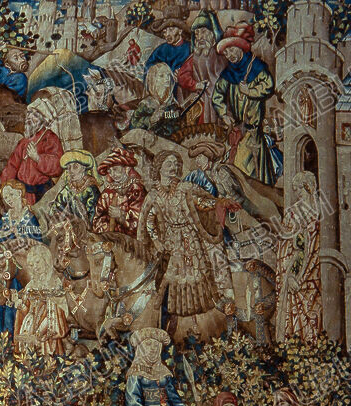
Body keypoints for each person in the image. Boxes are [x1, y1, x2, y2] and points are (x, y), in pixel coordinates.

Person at [138, 151, 236, 341]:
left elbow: (202, 202)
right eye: (169, 163)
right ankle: (166, 321)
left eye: (176, 163)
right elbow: (148, 220)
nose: (173, 167)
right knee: (166, 280)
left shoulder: (185, 188)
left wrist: (220, 203)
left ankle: (196, 321)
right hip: (169, 242)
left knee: (197, 274)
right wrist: (156, 240)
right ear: (159, 167)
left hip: (190, 238)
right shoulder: (153, 195)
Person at [0, 180, 43, 350]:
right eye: (6, 196)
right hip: (6, 270)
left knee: (12, 307)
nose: (9, 199)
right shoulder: (5, 219)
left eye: (12, 194)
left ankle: (13, 350)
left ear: (20, 194)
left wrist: (18, 241)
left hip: (24, 273)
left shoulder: (29, 218)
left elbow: (37, 246)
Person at [212, 23, 276, 185]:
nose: (229, 55)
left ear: (240, 47)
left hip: (253, 130)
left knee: (251, 171)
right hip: (238, 129)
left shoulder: (257, 67)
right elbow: (217, 95)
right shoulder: (228, 73)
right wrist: (224, 114)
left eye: (232, 50)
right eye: (226, 52)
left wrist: (250, 91)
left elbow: (268, 86)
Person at [275, 172, 323, 344]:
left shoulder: (321, 209)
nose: (297, 193)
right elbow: (285, 246)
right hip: (297, 269)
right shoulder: (292, 213)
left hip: (317, 268)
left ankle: (316, 348)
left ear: (309, 187)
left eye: (300, 189)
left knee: (316, 310)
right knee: (296, 310)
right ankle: (297, 348)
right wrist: (290, 274)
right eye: (295, 189)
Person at [0, 98, 63, 205]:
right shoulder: (24, 141)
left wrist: (37, 158)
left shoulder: (51, 138)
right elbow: (13, 165)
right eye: (29, 113)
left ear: (43, 120)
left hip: (42, 192)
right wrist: (2, 180)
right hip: (22, 191)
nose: (29, 117)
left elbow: (57, 166)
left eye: (34, 115)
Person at [12, 244, 71, 357]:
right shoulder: (30, 285)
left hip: (47, 332)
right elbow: (26, 311)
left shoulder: (55, 282)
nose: (35, 267)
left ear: (45, 260)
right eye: (32, 265)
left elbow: (60, 309)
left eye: (37, 262)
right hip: (29, 329)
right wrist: (20, 305)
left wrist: (40, 332)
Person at [93, 148, 146, 238]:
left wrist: (121, 215)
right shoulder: (107, 193)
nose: (112, 174)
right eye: (110, 171)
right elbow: (97, 217)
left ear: (126, 169)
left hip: (132, 240)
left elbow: (140, 220)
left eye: (116, 169)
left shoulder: (136, 189)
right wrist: (106, 228)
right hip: (111, 238)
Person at [53, 149, 101, 226]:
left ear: (83, 168)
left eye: (75, 167)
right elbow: (56, 206)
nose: (71, 171)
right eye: (68, 168)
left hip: (87, 229)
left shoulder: (91, 189)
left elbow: (92, 215)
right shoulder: (68, 189)